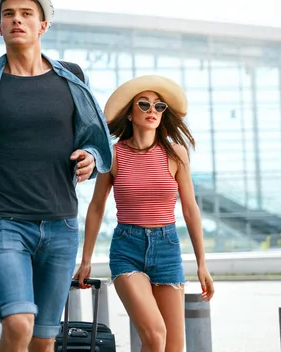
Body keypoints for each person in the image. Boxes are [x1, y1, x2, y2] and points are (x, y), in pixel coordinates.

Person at [0, 0, 112, 352]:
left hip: (61, 224)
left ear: (42, 26)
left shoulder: (72, 80)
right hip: (6, 224)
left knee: (44, 339)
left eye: (26, 14)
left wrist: (91, 159)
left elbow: (98, 144)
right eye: (8, 14)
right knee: (18, 325)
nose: (17, 20)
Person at [74, 75, 215, 352]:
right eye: (144, 104)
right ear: (129, 113)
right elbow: (96, 206)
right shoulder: (113, 155)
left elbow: (189, 208)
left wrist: (202, 263)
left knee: (173, 347)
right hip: (128, 248)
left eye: (159, 106)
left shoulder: (176, 154)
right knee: (154, 335)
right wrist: (86, 259)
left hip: (167, 248)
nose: (153, 110)